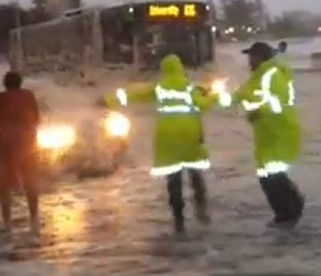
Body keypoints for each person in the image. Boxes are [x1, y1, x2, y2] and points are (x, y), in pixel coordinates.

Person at [104, 54, 217, 235]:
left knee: (174, 181)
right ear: (180, 68)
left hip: (167, 141)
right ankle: (202, 212)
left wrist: (108, 100)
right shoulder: (190, 88)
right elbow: (203, 104)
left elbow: (133, 94)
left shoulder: (159, 88)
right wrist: (215, 96)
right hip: (190, 138)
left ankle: (178, 220)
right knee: (196, 176)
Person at [220, 42, 304, 228]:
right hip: (265, 134)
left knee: (270, 176)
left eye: (251, 56)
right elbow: (234, 99)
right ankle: (292, 208)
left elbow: (279, 101)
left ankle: (287, 214)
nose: (249, 60)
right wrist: (217, 94)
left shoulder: (273, 75)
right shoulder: (254, 79)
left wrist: (260, 110)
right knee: (269, 174)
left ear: (260, 57)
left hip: (279, 131)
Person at [0, 71, 41, 234]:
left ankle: (7, 223)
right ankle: (34, 219)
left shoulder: (2, 97)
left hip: (8, 143)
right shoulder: (29, 96)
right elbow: (36, 119)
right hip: (28, 140)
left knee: (4, 184)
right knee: (30, 180)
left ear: (5, 83)